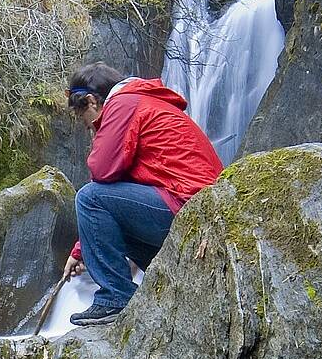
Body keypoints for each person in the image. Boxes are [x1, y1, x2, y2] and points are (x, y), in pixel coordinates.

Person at [62, 62, 224, 325]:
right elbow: (116, 196)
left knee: (88, 197)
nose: (89, 128)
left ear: (91, 101)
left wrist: (99, 140)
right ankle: (169, 283)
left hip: (187, 205)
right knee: (100, 206)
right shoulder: (142, 102)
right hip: (198, 209)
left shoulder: (123, 104)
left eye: (86, 121)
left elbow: (102, 173)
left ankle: (115, 298)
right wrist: (80, 251)